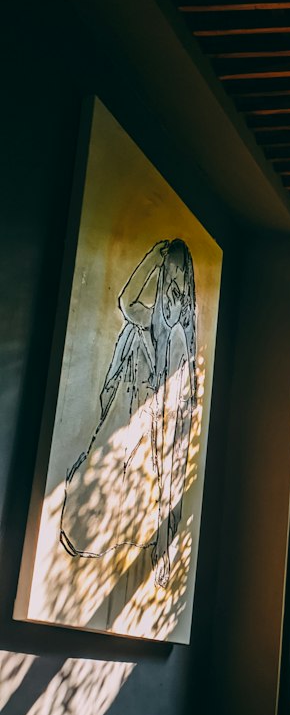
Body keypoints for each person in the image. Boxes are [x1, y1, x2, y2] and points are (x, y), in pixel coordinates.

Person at [60, 239, 197, 590]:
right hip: (143, 419)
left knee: (157, 487)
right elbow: (126, 302)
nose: (175, 291)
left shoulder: (183, 335)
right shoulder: (151, 321)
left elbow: (183, 399)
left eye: (181, 283)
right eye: (171, 280)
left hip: (163, 429)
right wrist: (153, 259)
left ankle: (159, 552)